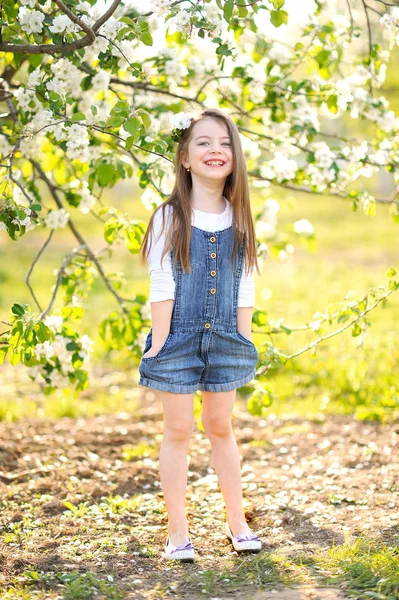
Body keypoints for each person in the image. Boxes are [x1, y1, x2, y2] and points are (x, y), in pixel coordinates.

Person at [138, 108, 262, 561]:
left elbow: (246, 284)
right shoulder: (169, 218)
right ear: (185, 157)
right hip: (178, 338)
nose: (216, 150)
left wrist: (241, 338)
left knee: (221, 426)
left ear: (236, 156)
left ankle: (237, 522)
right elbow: (162, 283)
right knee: (178, 429)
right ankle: (177, 533)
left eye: (225, 143)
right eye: (204, 142)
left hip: (227, 337)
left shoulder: (242, 219)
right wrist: (161, 341)